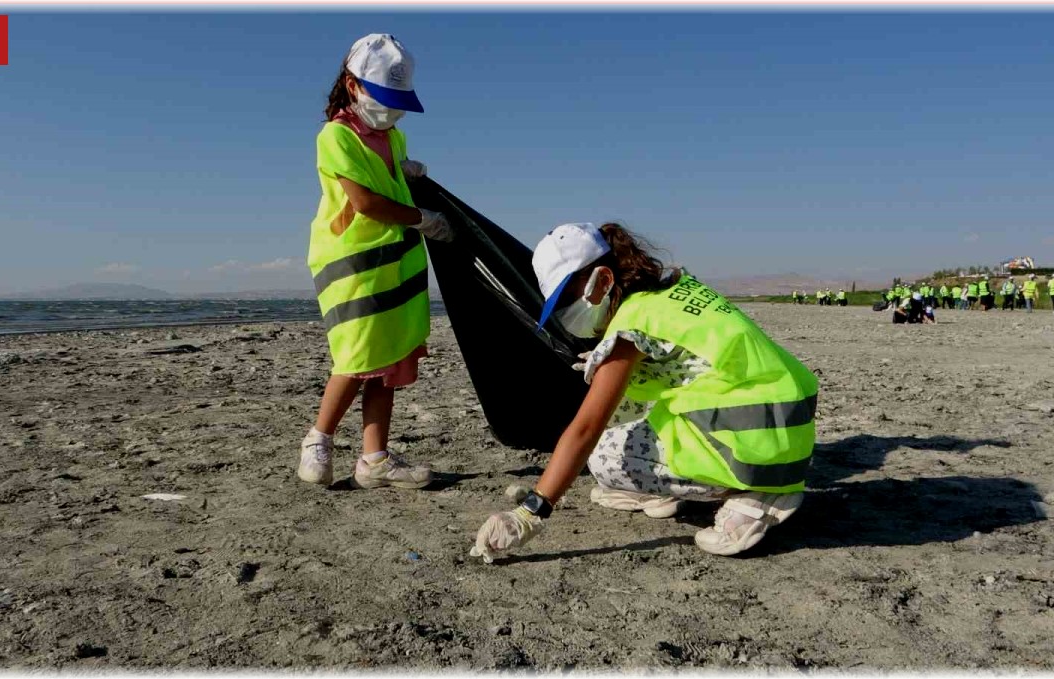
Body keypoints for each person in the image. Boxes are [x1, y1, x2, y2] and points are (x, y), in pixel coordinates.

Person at [469, 222, 818, 562]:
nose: (565, 313)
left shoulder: (632, 325)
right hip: (786, 425)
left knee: (603, 456)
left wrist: (531, 511)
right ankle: (660, 488)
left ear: (603, 279)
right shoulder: (671, 290)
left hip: (762, 449)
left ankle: (757, 494)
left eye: (566, 299)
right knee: (628, 402)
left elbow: (586, 428)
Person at [299, 33, 453, 490]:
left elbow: (385, 179)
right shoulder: (336, 136)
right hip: (355, 262)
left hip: (396, 263)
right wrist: (422, 218)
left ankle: (374, 459)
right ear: (353, 85)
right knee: (357, 354)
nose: (390, 111)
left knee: (388, 361)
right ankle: (318, 440)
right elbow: (364, 202)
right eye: (383, 98)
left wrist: (403, 171)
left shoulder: (394, 136)